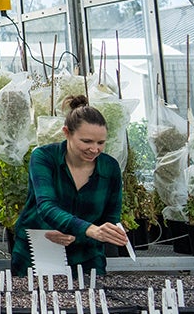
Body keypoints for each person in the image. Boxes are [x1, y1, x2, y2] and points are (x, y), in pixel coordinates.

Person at [11, 94, 127, 276]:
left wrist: (101, 233)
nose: (95, 149)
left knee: (92, 301)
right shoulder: (44, 157)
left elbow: (111, 217)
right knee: (35, 303)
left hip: (86, 256)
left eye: (101, 142)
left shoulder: (110, 168)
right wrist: (87, 229)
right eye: (86, 141)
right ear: (66, 133)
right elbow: (46, 207)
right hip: (38, 252)